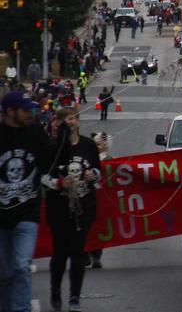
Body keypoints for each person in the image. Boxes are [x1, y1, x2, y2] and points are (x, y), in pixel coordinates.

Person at [42, 107, 102, 312]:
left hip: (83, 206)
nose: (70, 122)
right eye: (65, 120)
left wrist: (92, 174)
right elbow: (42, 178)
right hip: (59, 207)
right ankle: (55, 291)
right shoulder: (53, 148)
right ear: (58, 124)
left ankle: (75, 296)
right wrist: (60, 183)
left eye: (73, 119)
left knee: (78, 252)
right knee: (60, 252)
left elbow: (98, 170)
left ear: (78, 121)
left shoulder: (88, 145)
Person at [0, 90, 50, 312]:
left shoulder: (35, 132)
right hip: (1, 217)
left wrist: (65, 136)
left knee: (21, 267)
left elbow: (52, 157)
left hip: (27, 212)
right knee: (4, 272)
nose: (30, 114)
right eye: (25, 110)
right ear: (10, 111)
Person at [85, 132, 112, 269]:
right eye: (96, 144)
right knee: (87, 225)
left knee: (99, 226)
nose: (100, 146)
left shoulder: (110, 159)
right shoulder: (87, 159)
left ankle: (96, 255)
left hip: (103, 198)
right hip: (88, 196)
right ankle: (86, 253)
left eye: (101, 144)